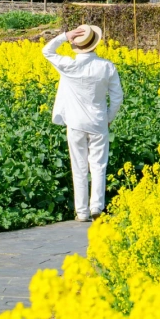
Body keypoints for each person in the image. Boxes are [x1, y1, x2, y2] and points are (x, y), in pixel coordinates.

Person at [42, 23, 123, 223]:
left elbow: (46, 50)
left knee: (78, 166)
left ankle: (82, 211)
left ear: (76, 45)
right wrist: (108, 118)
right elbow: (117, 97)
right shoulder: (106, 66)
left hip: (75, 123)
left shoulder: (68, 65)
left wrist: (64, 36)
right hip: (98, 122)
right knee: (98, 166)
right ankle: (97, 207)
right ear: (95, 44)